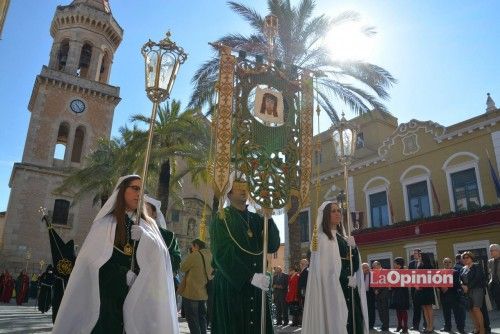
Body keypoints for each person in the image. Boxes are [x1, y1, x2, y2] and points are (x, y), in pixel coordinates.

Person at [52, 175, 178, 334]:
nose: (140, 194)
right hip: (109, 298)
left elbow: (162, 258)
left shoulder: (149, 225)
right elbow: (91, 262)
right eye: (135, 188)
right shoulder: (106, 223)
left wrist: (146, 239)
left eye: (142, 190)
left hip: (141, 295)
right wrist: (121, 275)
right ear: (122, 191)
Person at [209, 173, 280, 334]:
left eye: (246, 185)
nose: (243, 189)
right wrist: (249, 276)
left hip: (257, 285)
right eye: (238, 185)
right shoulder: (221, 218)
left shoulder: (256, 219)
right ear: (228, 191)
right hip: (233, 285)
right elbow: (222, 255)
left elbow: (273, 245)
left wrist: (268, 218)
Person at [302, 201, 369, 334]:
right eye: (333, 211)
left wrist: (354, 249)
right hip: (334, 289)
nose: (337, 213)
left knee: (355, 322)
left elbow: (354, 265)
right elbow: (325, 269)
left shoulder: (343, 238)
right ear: (326, 215)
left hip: (350, 289)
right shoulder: (322, 238)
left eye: (338, 210)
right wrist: (345, 279)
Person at [178, 238, 213, 334]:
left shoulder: (195, 255)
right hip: (204, 293)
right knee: (202, 319)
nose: (191, 248)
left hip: (192, 293)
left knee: (192, 320)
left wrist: (190, 256)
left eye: (192, 246)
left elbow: (183, 267)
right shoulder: (210, 255)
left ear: (196, 246)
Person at [144, 195, 181, 277]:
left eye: (145, 209)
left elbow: (176, 261)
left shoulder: (168, 237)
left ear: (154, 214)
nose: (140, 213)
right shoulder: (129, 230)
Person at [460, 251, 486, 334]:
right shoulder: (463, 268)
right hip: (466, 291)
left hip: (477, 289)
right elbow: (460, 279)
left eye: (467, 257)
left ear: (471, 258)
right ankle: (476, 327)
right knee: (471, 310)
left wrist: (468, 286)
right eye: (463, 258)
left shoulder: (476, 266)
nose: (465, 259)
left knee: (476, 309)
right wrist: (462, 285)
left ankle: (482, 329)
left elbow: (477, 278)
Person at [440, 257, 465, 333]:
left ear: (452, 263)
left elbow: (457, 284)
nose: (447, 264)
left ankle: (460, 329)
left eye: (449, 262)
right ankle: (447, 327)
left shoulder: (456, 272)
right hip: (444, 295)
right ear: (443, 263)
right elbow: (437, 282)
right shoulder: (440, 272)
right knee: (446, 313)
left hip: (454, 296)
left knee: (457, 314)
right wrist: (441, 287)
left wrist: (448, 286)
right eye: (445, 262)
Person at [415, 253, 435, 333]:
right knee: (424, 308)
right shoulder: (419, 265)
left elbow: (431, 277)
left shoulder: (429, 266)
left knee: (429, 308)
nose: (418, 257)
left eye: (420, 256)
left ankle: (431, 326)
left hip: (428, 289)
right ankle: (427, 326)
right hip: (421, 289)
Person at [408, 248, 425, 331]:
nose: (414, 254)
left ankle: (426, 325)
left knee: (425, 308)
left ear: (420, 254)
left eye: (416, 253)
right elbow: (409, 276)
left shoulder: (424, 263)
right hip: (414, 289)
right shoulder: (411, 264)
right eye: (413, 253)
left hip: (423, 289)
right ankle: (415, 325)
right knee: (416, 308)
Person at [391, 258, 410, 333]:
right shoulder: (394, 272)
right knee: (397, 310)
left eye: (395, 263)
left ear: (399, 264)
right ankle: (399, 325)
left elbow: (406, 281)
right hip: (396, 292)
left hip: (403, 292)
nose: (394, 264)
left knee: (403, 310)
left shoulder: (405, 271)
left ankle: (405, 327)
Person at [372, 261, 390, 332]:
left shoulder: (385, 271)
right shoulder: (374, 272)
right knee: (380, 311)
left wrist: (378, 290)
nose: (373, 268)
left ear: (379, 265)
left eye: (374, 266)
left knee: (385, 311)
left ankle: (386, 325)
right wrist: (374, 290)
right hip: (377, 295)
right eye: (373, 267)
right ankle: (383, 324)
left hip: (384, 294)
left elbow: (385, 282)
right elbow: (372, 282)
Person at [362, 263, 376, 330]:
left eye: (367, 267)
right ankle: (364, 323)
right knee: (363, 309)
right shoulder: (360, 275)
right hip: (362, 294)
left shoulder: (372, 274)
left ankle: (371, 325)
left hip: (370, 294)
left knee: (371, 310)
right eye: (365, 267)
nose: (367, 269)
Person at [487, 243, 500, 310]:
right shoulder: (490, 262)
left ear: (498, 251)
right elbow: (489, 273)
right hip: (494, 286)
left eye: (492, 250)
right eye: (490, 250)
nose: (490, 252)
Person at [297, 258, 309, 326]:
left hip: (304, 293)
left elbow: (305, 283)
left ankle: (305, 323)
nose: (300, 265)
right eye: (300, 263)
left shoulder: (306, 271)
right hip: (302, 293)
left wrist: (302, 293)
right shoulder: (303, 271)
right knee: (303, 308)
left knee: (305, 307)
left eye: (301, 263)